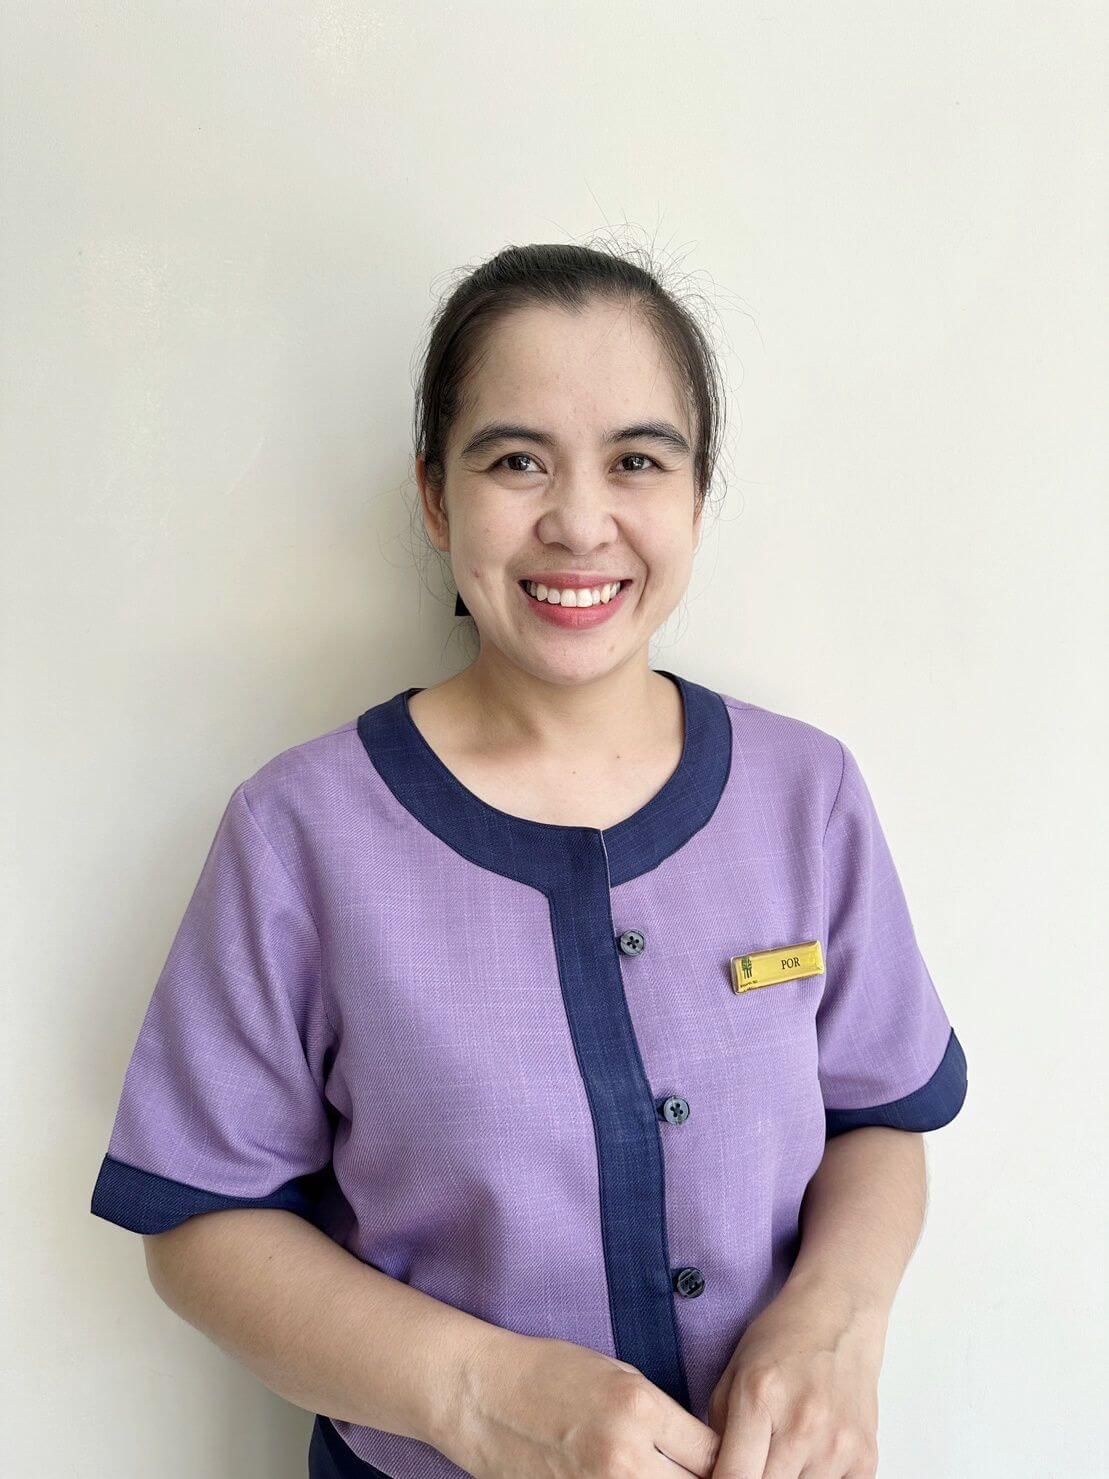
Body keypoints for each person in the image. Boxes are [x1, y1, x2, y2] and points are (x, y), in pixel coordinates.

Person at [90, 240, 968, 1479]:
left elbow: (878, 1116)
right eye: (515, 461)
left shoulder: (803, 793)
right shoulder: (299, 833)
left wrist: (835, 1326)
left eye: (637, 461)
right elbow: (199, 1224)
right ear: (434, 497)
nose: (578, 522)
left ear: (696, 497)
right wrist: (477, 1396)